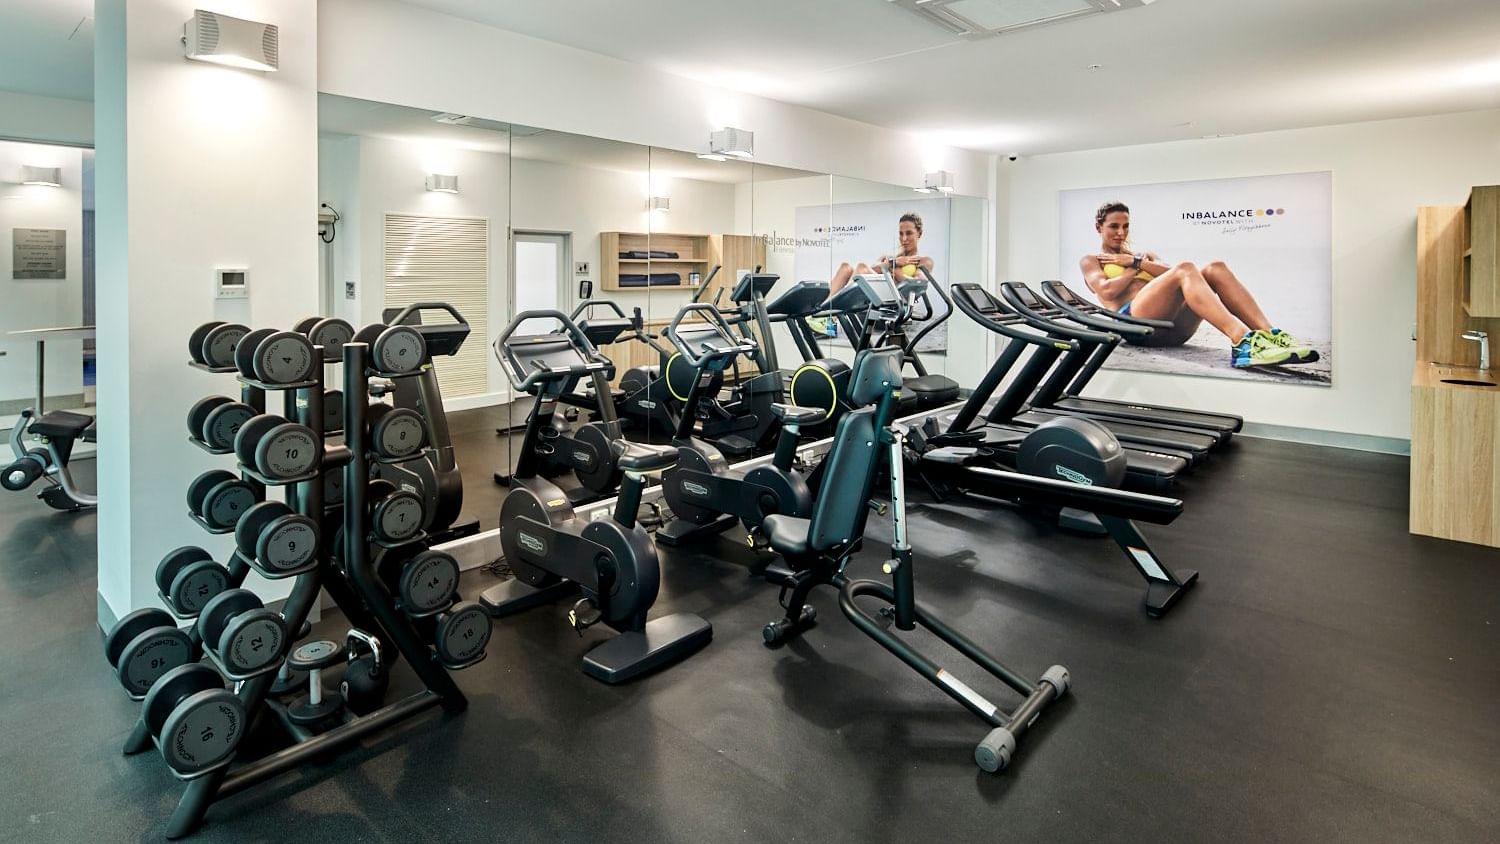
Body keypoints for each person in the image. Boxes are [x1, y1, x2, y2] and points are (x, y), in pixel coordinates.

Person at [1080, 200, 1317, 369]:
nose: (1121, 232)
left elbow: (1176, 274)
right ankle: (1241, 341)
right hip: (1135, 324)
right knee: (1185, 267)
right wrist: (1134, 267)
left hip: (1174, 330)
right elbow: (1107, 291)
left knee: (1215, 268)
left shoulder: (1142, 255)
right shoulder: (1092, 260)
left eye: (1126, 226)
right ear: (1099, 227)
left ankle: (1270, 336)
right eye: (1113, 226)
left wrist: (1135, 260)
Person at [830, 212, 934, 295]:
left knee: (862, 267)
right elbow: (873, 268)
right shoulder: (893, 258)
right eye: (901, 233)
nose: (904, 238)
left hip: (895, 298)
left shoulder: (923, 260)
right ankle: (823, 312)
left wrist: (894, 269)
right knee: (846, 268)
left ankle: (835, 311)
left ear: (919, 234)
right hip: (882, 291)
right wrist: (895, 262)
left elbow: (916, 285)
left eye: (909, 233)